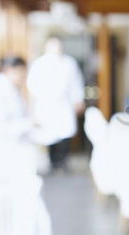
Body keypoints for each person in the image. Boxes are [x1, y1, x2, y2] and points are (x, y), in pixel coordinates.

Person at [27, 35, 85, 172]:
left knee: (65, 134)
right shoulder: (39, 64)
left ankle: (63, 161)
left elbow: (76, 83)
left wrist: (78, 99)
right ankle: (53, 162)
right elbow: (32, 85)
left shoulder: (69, 63)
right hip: (47, 103)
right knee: (49, 134)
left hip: (64, 103)